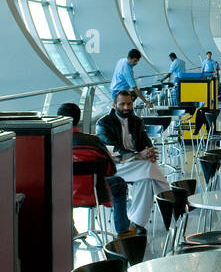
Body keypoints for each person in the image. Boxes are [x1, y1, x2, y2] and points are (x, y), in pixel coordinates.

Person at [95, 90, 173, 234]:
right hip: (115, 167)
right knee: (147, 166)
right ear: (114, 105)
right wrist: (138, 156)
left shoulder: (136, 121)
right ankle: (169, 199)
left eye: (129, 104)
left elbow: (145, 140)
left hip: (136, 166)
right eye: (122, 104)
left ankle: (137, 223)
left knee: (146, 180)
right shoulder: (103, 124)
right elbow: (115, 151)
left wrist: (149, 151)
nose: (126, 107)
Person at [57, 102, 133, 237]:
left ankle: (70, 227)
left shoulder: (53, 143)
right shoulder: (93, 141)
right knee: (119, 183)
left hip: (64, 195)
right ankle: (122, 229)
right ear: (78, 118)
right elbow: (110, 170)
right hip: (96, 192)